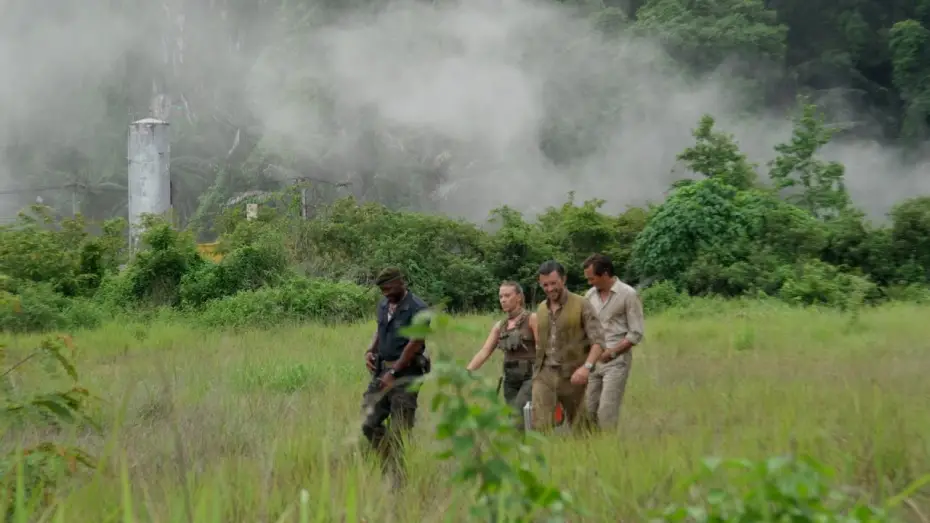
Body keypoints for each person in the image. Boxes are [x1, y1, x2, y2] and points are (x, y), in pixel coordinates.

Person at [361, 267, 431, 483]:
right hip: (382, 372)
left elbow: (415, 343)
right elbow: (380, 329)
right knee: (368, 422)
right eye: (382, 290)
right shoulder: (383, 304)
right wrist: (370, 350)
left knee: (399, 430)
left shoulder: (418, 309)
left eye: (389, 288)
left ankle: (398, 482)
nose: (386, 293)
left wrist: (394, 372)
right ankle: (389, 464)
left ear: (401, 282)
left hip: (406, 375)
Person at [531, 260, 606, 432]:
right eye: (545, 285)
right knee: (540, 425)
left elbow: (599, 341)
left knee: (581, 426)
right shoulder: (541, 308)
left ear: (563, 280)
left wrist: (586, 368)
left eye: (553, 283)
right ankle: (546, 457)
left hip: (573, 375)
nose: (549, 289)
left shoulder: (582, 304)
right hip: (545, 375)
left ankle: (590, 454)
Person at [582, 254, 645, 431]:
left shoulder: (628, 294)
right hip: (593, 360)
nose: (589, 282)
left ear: (605, 274)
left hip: (617, 361)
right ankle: (592, 450)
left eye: (592, 278)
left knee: (607, 412)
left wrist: (613, 352)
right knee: (588, 410)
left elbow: (636, 332)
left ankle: (608, 448)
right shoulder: (589, 296)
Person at [465, 281, 538, 430]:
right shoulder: (500, 326)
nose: (503, 300)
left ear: (518, 297)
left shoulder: (532, 319)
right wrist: (467, 371)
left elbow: (543, 347)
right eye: (500, 296)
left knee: (521, 416)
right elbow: (485, 351)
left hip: (530, 377)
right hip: (510, 380)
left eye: (507, 295)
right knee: (513, 420)